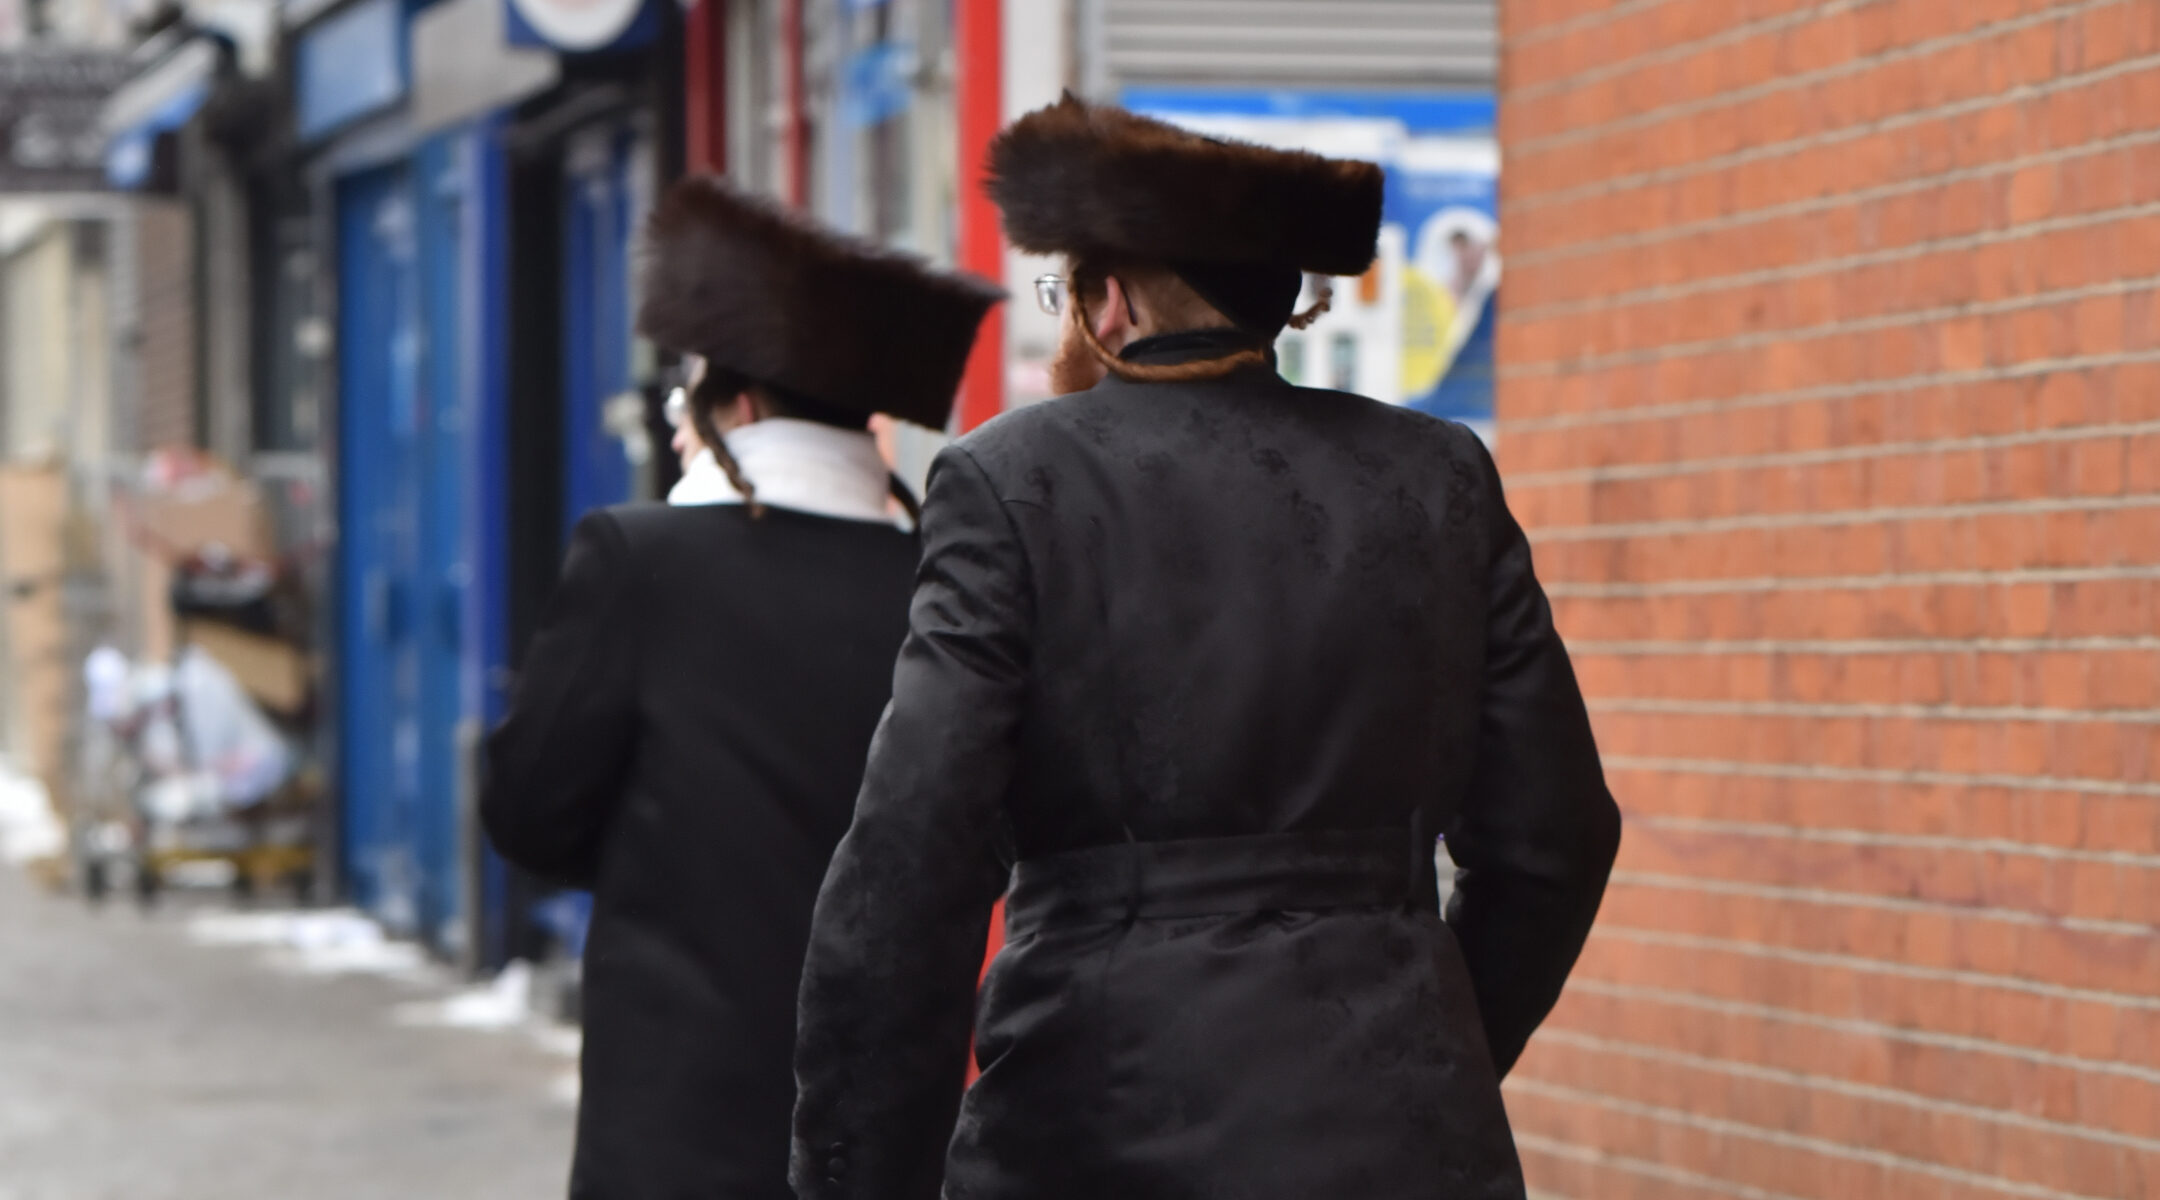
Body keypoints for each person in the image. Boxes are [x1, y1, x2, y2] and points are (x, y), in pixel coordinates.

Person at [791, 97, 1622, 1199]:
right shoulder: (1437, 476)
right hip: (1403, 1134)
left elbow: (913, 864)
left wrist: (857, 1173)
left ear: (1109, 300)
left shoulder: (1013, 480)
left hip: (1098, 1126)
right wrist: (1429, 1050)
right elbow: (1555, 838)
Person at [482, 175, 999, 1199]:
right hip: (900, 1118)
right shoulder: (944, 586)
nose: (677, 421)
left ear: (742, 404)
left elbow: (529, 813)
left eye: (690, 395)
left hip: (682, 1113)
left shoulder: (640, 559)